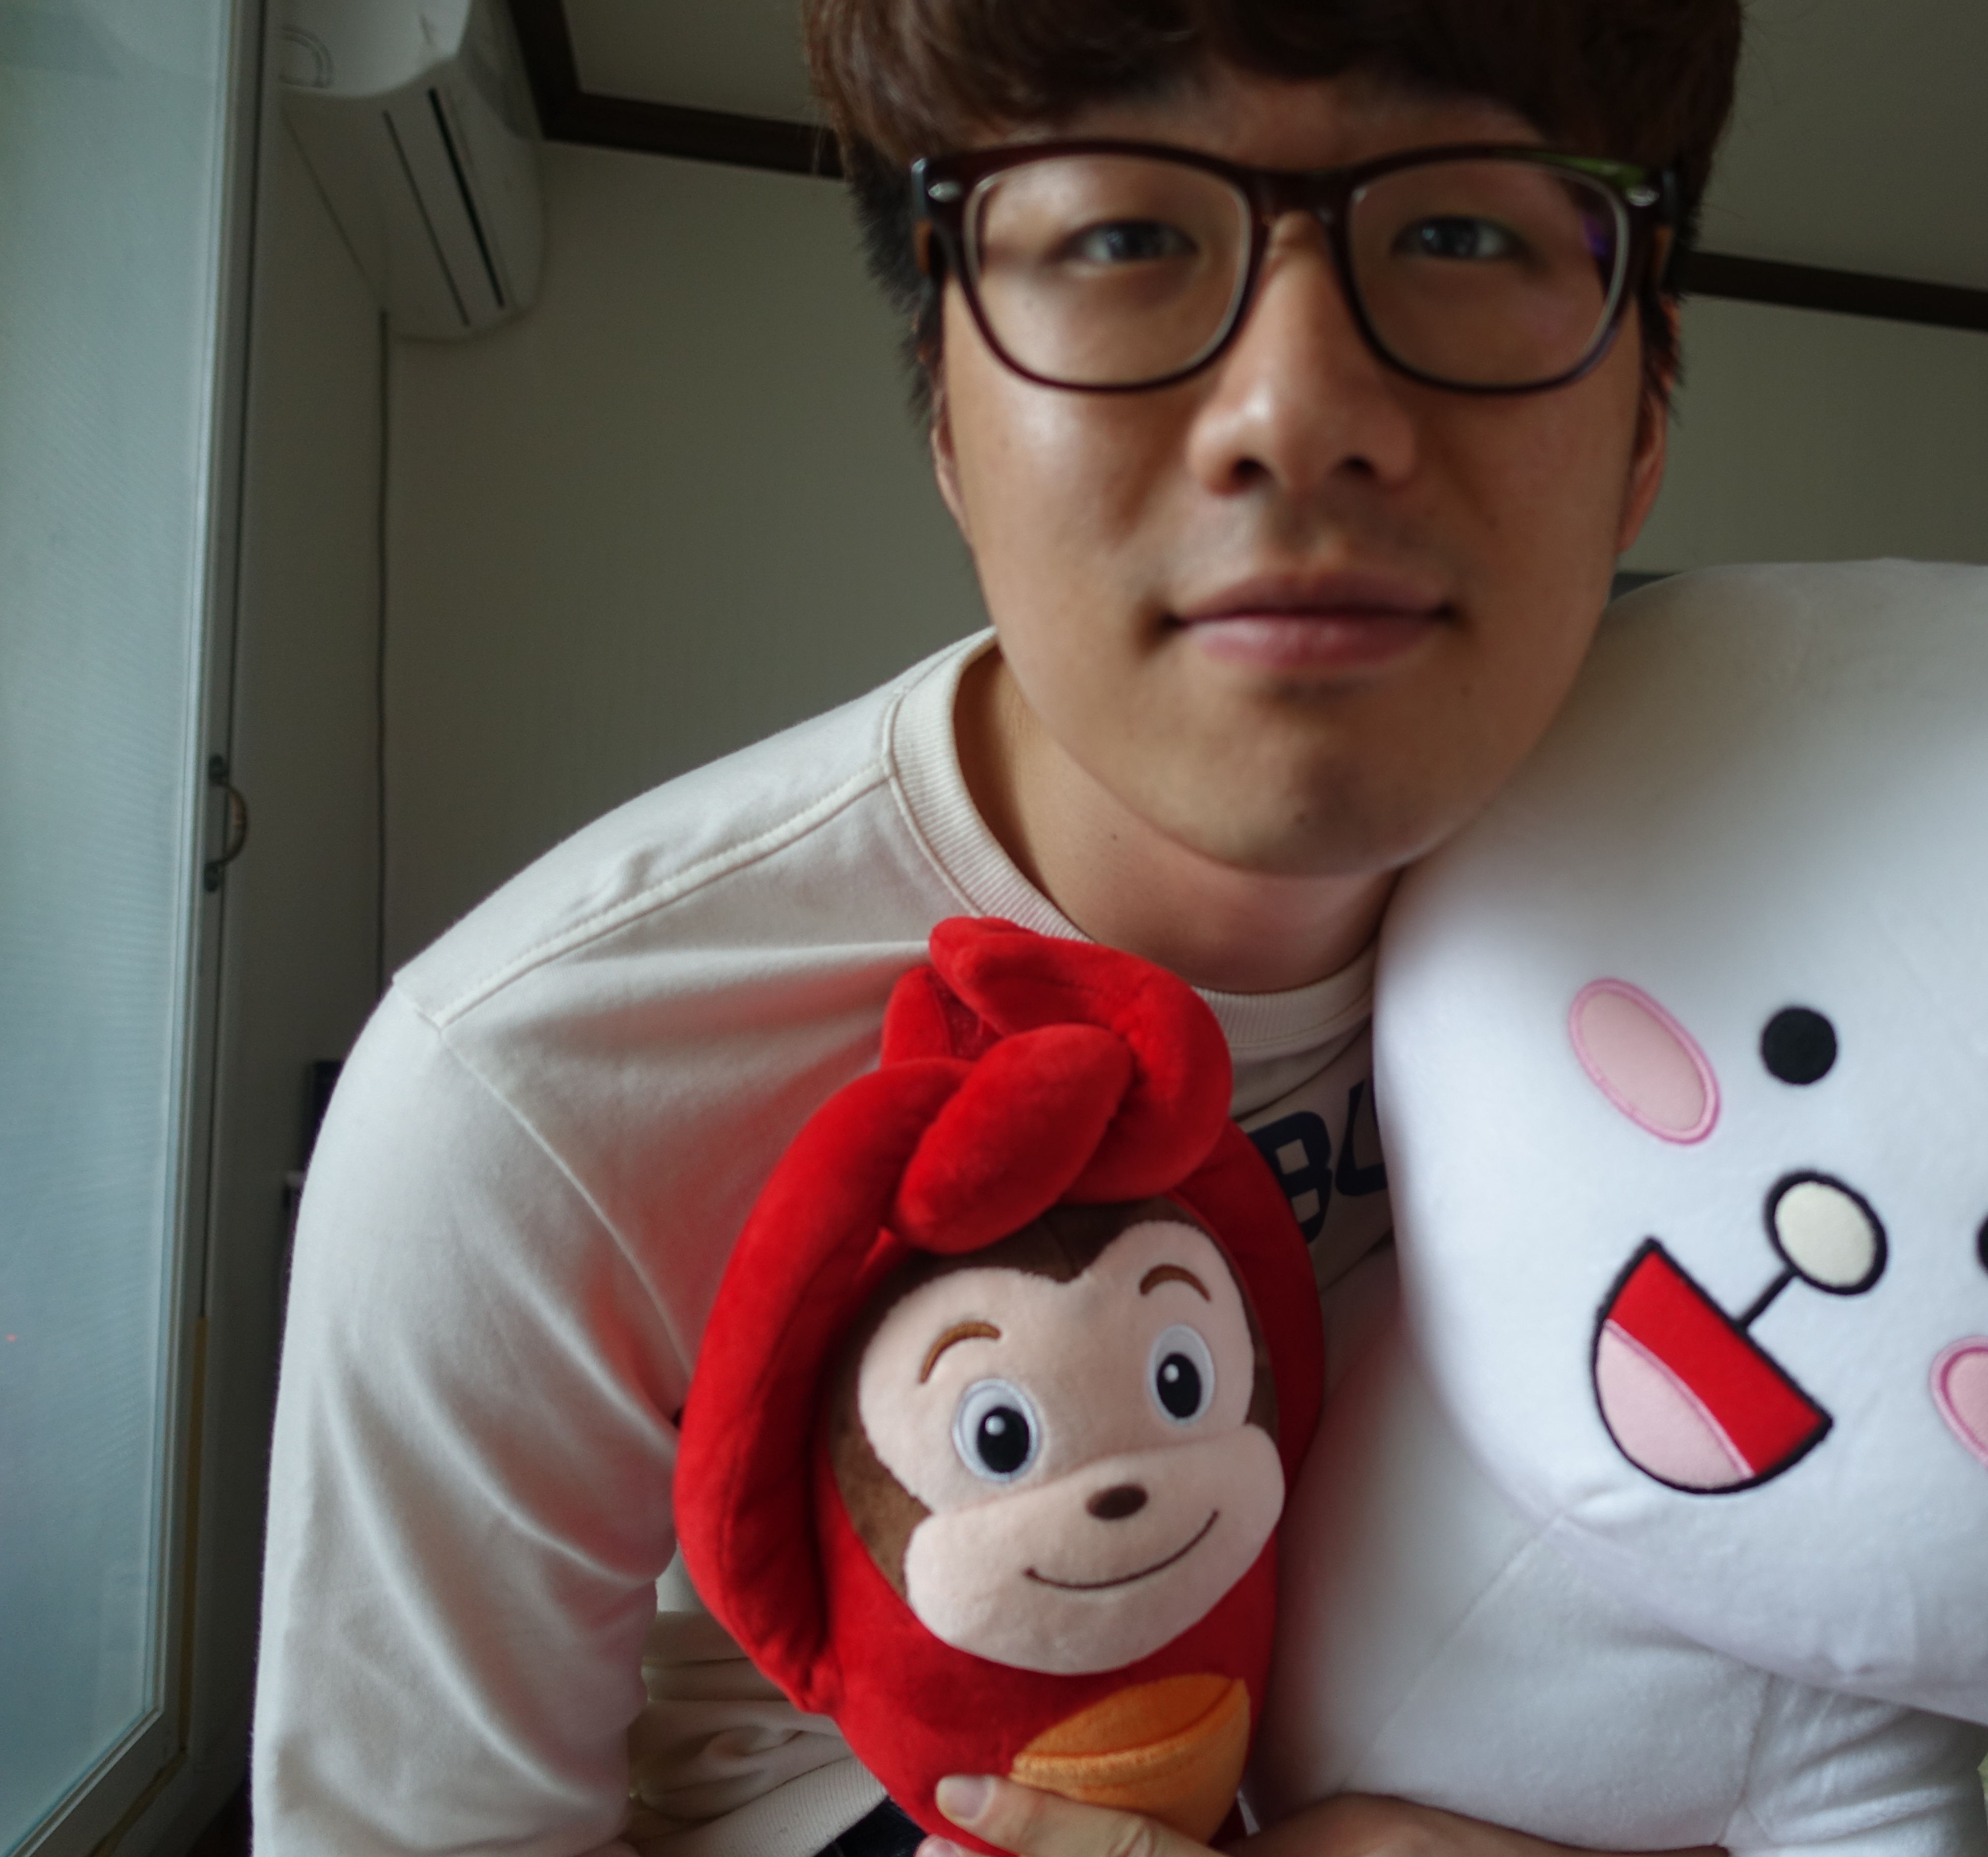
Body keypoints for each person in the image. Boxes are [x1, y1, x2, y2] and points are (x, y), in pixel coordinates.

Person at [250, 3, 1744, 1855]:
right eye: (1119, 235)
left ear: (1647, 417)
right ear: (948, 421)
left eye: (1460, 232)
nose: (1300, 416)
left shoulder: (1779, 929)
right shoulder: (533, 1098)